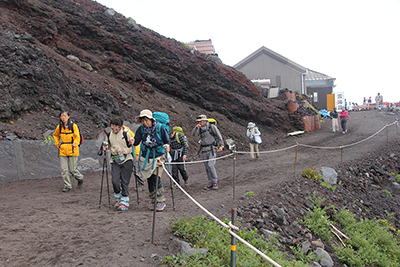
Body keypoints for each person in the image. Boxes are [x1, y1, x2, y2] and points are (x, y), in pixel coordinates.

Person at [133, 109, 170, 212]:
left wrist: (167, 147)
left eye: (146, 120)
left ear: (151, 119)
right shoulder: (141, 129)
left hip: (158, 156)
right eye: (143, 121)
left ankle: (161, 200)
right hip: (146, 157)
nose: (145, 123)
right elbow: (136, 142)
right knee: (149, 180)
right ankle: (154, 200)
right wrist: (131, 141)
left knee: (155, 178)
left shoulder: (159, 128)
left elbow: (166, 140)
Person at [103, 118, 138, 211]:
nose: (114, 128)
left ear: (121, 127)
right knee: (115, 181)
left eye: (116, 126)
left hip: (127, 159)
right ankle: (118, 198)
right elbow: (108, 147)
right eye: (112, 126)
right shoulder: (109, 135)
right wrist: (105, 148)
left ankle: (124, 201)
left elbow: (131, 148)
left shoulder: (126, 134)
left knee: (124, 181)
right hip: (115, 159)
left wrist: (125, 150)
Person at [53, 111, 84, 192]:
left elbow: (78, 136)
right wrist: (57, 143)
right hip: (63, 150)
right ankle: (67, 186)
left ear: (69, 116)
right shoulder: (59, 127)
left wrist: (75, 143)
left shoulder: (73, 126)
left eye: (65, 116)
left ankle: (80, 178)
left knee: (72, 169)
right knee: (64, 170)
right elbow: (55, 135)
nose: (63, 117)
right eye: (62, 116)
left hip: (73, 149)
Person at [192, 115, 224, 190]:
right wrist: (196, 127)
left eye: (201, 121)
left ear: (205, 121)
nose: (199, 123)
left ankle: (215, 182)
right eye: (199, 121)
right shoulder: (199, 128)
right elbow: (194, 134)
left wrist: (221, 145)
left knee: (210, 165)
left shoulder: (212, 127)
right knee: (207, 167)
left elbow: (219, 136)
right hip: (204, 149)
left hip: (212, 148)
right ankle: (210, 183)